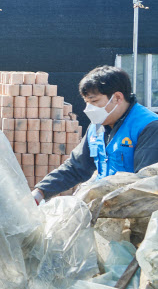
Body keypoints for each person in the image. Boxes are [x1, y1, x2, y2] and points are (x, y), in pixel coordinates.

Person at [32, 66, 158, 204]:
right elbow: (76, 167)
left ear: (117, 98)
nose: (89, 109)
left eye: (94, 101)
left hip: (133, 211)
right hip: (105, 207)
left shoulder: (149, 127)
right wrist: (40, 192)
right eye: (87, 102)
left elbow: (145, 185)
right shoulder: (97, 126)